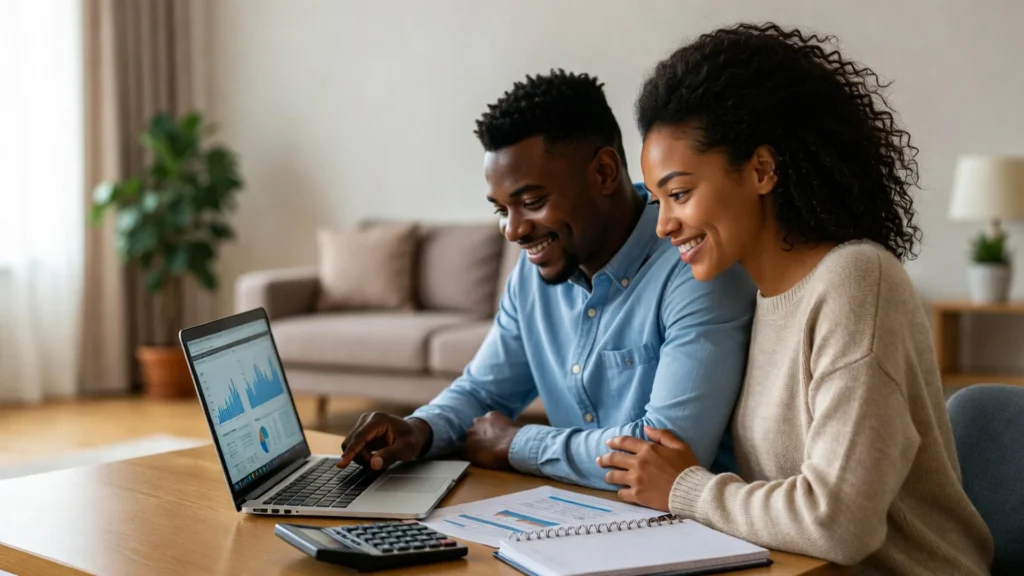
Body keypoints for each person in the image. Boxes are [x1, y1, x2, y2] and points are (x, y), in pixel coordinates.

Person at [597, 23, 994, 574]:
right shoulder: (757, 297)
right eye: (659, 199)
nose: (664, 225)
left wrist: (687, 490)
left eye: (680, 193)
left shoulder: (856, 280)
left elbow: (837, 521)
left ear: (762, 170)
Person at [338, 70, 756, 490]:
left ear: (605, 172)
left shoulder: (694, 266)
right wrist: (418, 430)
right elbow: (483, 391)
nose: (514, 231)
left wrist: (517, 443)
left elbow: (668, 454)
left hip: (690, 529)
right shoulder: (534, 273)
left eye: (532, 202)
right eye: (502, 210)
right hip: (577, 515)